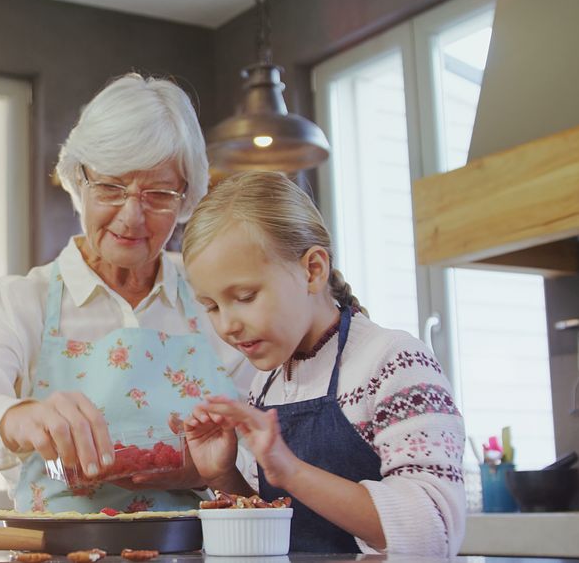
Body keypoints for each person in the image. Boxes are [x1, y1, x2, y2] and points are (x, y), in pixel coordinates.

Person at [0, 73, 252, 514]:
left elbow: (270, 440)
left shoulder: (213, 300)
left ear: (186, 198)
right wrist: (20, 417)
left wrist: (211, 472)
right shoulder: (23, 301)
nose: (132, 216)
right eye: (111, 187)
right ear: (79, 182)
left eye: (157, 194)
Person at [180, 171, 466, 555]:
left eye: (245, 296)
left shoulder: (394, 362)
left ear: (312, 269)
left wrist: (292, 471)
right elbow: (281, 530)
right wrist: (223, 474)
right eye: (212, 307)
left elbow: (434, 533)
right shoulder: (266, 385)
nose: (227, 325)